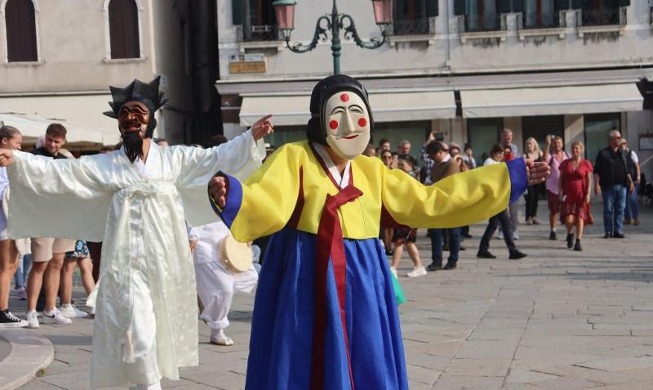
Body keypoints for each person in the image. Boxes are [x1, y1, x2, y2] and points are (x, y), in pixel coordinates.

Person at [207, 74, 549, 389]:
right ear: (319, 121)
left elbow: (434, 200)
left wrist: (505, 178)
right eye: (336, 115)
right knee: (303, 355)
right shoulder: (292, 157)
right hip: (306, 273)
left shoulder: (373, 170)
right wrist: (233, 195)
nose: (348, 125)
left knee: (366, 352)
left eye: (357, 113)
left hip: (364, 277)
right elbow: (267, 200)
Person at [0, 76, 272, 390]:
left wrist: (249, 138)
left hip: (165, 262)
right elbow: (62, 172)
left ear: (152, 120)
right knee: (137, 330)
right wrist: (18, 158)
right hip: (125, 266)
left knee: (154, 335)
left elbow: (213, 158)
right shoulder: (107, 165)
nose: (131, 118)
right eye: (124, 113)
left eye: (138, 112)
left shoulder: (174, 159)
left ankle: (144, 384)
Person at [24, 124, 76, 328]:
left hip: (61, 216)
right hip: (41, 217)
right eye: (50, 140)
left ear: (63, 141)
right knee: (40, 263)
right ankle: (31, 311)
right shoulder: (33, 156)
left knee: (57, 262)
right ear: (44, 138)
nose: (52, 144)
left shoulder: (66, 161)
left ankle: (50, 309)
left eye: (56, 141)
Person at [188, 220, 258, 346]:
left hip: (228, 240)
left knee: (250, 277)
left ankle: (205, 292)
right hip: (204, 243)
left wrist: (246, 233)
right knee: (225, 290)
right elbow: (190, 208)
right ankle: (217, 332)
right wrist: (192, 234)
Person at [477, 144, 528, 260]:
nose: (500, 156)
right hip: (495, 198)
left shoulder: (499, 163)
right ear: (493, 153)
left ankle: (483, 249)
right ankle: (512, 250)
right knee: (506, 223)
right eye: (499, 153)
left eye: (502, 154)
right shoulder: (489, 162)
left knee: (494, 224)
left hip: (500, 198)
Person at [0, 125, 27, 327]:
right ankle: (2, 311)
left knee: (11, 266)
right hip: (4, 221)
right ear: (4, 141)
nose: (19, 146)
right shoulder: (3, 162)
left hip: (8, 220)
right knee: (7, 267)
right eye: (17, 142)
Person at [426, 141, 463, 271]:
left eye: (433, 156)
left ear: (440, 153)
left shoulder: (451, 164)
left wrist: (430, 186)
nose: (432, 159)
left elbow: (445, 183)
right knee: (435, 232)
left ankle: (453, 260)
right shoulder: (436, 164)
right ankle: (436, 260)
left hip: (452, 204)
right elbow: (430, 180)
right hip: (437, 204)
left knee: (453, 233)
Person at [389, 154, 427, 278]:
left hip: (409, 214)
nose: (399, 167)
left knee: (399, 241)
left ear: (410, 166)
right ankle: (419, 266)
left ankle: (393, 268)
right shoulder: (403, 176)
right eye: (398, 164)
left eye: (402, 165)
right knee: (408, 241)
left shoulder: (410, 177)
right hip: (404, 213)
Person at [594, 130, 633, 239]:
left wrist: (630, 181)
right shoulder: (603, 153)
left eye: (620, 137)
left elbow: (627, 169)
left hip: (622, 186)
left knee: (621, 208)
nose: (620, 139)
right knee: (608, 209)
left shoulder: (623, 153)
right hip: (608, 186)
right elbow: (596, 171)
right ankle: (608, 231)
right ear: (611, 140)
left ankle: (618, 230)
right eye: (618, 137)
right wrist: (596, 184)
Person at [558, 141, 593, 251]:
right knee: (569, 219)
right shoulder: (566, 163)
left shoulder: (586, 163)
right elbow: (560, 178)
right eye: (573, 148)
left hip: (580, 194)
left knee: (580, 217)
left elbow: (588, 180)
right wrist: (559, 191)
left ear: (581, 150)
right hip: (568, 194)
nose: (575, 150)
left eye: (577, 148)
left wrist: (588, 194)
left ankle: (578, 241)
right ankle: (570, 234)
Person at [543, 135, 569, 240]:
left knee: (567, 211)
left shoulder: (567, 155)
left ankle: (569, 231)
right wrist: (547, 144)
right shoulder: (551, 157)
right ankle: (553, 230)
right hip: (553, 187)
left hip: (566, 188)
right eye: (555, 143)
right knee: (554, 210)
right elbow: (544, 159)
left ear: (562, 144)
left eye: (559, 143)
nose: (557, 145)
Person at [523, 137, 544, 225]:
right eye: (527, 144)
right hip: (529, 179)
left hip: (538, 178)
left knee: (536, 197)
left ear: (534, 144)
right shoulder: (525, 155)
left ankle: (534, 216)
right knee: (530, 197)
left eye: (530, 143)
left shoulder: (539, 153)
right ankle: (528, 217)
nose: (529, 145)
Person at [621, 139, 640, 225]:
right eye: (621, 143)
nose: (622, 145)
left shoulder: (631, 153)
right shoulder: (618, 154)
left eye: (624, 143)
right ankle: (627, 218)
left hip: (633, 180)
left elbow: (637, 166)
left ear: (626, 144)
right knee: (624, 201)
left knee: (633, 199)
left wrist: (638, 176)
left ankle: (635, 218)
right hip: (622, 181)